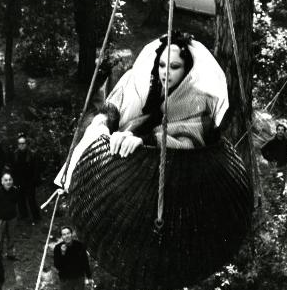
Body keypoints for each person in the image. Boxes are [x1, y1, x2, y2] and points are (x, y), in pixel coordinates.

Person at [55, 31, 229, 189]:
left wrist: (146, 140)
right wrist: (103, 126)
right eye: (162, 65)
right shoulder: (148, 87)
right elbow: (117, 108)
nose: (165, 73)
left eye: (174, 67)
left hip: (173, 177)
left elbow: (190, 140)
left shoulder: (197, 99)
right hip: (130, 170)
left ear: (187, 69)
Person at [53, 226, 92, 290]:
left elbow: (85, 262)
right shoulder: (58, 248)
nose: (66, 236)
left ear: (72, 234)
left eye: (68, 233)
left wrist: (89, 276)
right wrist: (62, 253)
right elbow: (57, 265)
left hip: (79, 279)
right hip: (65, 280)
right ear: (62, 237)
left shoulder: (79, 245)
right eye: (64, 234)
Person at [11, 134, 41, 224]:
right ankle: (24, 216)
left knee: (31, 199)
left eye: (23, 143)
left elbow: (36, 169)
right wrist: (14, 181)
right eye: (20, 144)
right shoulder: (15, 154)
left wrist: (35, 180)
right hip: (19, 181)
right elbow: (13, 168)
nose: (22, 145)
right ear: (17, 144)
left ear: (26, 144)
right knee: (20, 200)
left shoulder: (32, 154)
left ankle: (36, 217)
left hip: (30, 180)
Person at [0, 172, 20, 260]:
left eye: (10, 180)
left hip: (12, 218)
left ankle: (10, 254)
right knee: (0, 237)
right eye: (6, 180)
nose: (8, 182)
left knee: (11, 236)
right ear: (2, 182)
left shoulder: (15, 191)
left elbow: (16, 203)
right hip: (0, 218)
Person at [261, 123, 287, 194]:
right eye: (279, 130)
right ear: (276, 131)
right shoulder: (272, 141)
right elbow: (262, 149)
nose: (280, 131)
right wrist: (269, 159)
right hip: (274, 164)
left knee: (283, 181)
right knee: (273, 179)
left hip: (284, 164)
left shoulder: (286, 141)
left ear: (284, 132)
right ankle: (272, 194)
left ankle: (281, 193)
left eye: (282, 130)